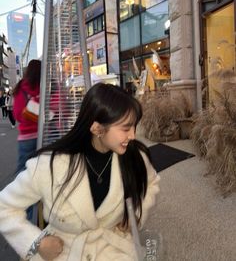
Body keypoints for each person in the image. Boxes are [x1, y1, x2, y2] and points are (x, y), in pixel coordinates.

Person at [0, 82, 160, 261]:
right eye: (125, 128)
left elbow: (152, 182)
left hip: (115, 250)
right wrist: (37, 243)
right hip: (62, 252)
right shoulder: (49, 165)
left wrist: (136, 215)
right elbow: (4, 206)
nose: (132, 135)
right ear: (96, 128)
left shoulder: (135, 156)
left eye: (134, 126)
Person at [13, 59, 41, 173]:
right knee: (41, 169)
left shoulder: (21, 87)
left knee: (23, 170)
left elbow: (17, 115)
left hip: (26, 137)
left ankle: (19, 190)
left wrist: (28, 115)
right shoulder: (45, 86)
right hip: (43, 135)